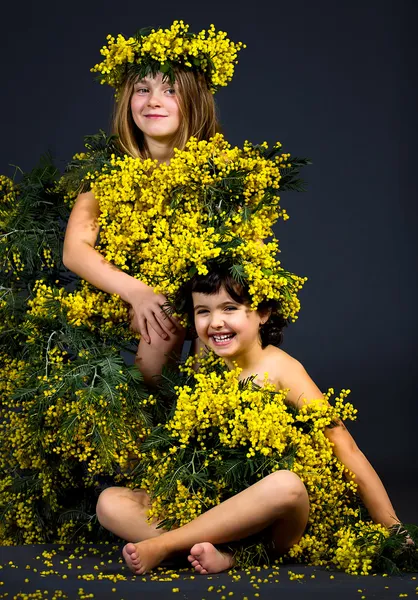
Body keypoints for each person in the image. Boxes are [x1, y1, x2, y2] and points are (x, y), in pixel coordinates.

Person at [96, 266, 402, 576]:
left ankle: (168, 547)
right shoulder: (206, 366)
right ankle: (221, 552)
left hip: (274, 520)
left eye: (230, 308)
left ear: (263, 313)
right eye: (203, 312)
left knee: (287, 485)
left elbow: (345, 447)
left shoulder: (282, 370)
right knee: (109, 502)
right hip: (216, 508)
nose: (216, 322)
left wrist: (393, 528)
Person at [62, 21, 240, 384]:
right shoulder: (107, 170)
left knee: (216, 322)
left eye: (169, 90)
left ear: (194, 100)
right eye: (142, 89)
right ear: (128, 101)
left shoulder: (222, 171)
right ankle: (151, 417)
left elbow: (241, 253)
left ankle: (201, 418)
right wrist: (138, 292)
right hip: (134, 292)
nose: (153, 101)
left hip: (205, 293)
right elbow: (75, 251)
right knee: (163, 317)